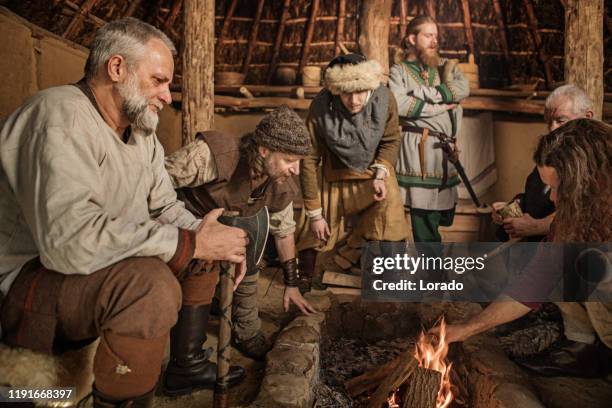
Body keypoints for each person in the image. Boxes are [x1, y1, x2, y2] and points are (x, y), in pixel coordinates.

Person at [0, 18, 247, 407]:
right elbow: (68, 242)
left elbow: (164, 206)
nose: (167, 96)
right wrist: (188, 241)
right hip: (28, 281)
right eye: (159, 80)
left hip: (86, 269)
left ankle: (186, 365)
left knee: (202, 252)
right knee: (149, 287)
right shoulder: (57, 115)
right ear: (117, 69)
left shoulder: (142, 136)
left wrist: (210, 236)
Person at [434, 119, 612, 378]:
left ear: (588, 181)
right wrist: (467, 329)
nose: (551, 198)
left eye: (558, 187)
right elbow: (536, 281)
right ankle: (589, 351)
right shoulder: (576, 213)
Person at [163, 106, 316, 363]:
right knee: (189, 286)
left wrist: (292, 284)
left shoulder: (280, 185)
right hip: (185, 226)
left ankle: (245, 330)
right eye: (290, 160)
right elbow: (155, 183)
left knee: (254, 229)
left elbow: (284, 231)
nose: (296, 170)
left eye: (299, 162)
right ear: (264, 149)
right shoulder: (214, 154)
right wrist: (188, 225)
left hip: (228, 234)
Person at [296, 53, 410, 281]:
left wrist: (380, 174)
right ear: (336, 90)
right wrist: (315, 214)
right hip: (334, 175)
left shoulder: (386, 99)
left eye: (360, 92)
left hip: (374, 174)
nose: (354, 100)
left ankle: (390, 281)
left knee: (392, 221)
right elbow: (308, 158)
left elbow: (390, 140)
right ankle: (306, 282)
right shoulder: (320, 106)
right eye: (347, 93)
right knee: (312, 231)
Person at [388, 15, 470, 243]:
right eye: (428, 35)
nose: (435, 41)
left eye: (436, 35)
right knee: (424, 216)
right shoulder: (399, 71)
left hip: (445, 150)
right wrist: (439, 108)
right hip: (418, 150)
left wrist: (426, 94)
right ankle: (433, 272)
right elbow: (399, 103)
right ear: (412, 38)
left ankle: (431, 269)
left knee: (442, 214)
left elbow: (463, 88)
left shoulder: (446, 66)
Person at [493, 84, 594, 242]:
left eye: (560, 121)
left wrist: (536, 226)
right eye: (549, 122)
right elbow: (538, 197)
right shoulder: (552, 154)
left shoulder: (598, 163)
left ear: (587, 118)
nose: (552, 129)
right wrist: (515, 206)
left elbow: (588, 213)